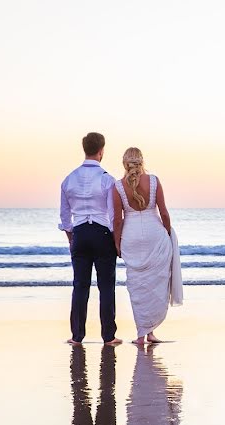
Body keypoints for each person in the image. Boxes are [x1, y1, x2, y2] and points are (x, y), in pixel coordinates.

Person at [111, 147, 182, 345]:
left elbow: (117, 220)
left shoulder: (117, 186)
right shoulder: (153, 181)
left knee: (137, 285)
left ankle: (142, 334)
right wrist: (167, 233)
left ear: (125, 163)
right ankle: (149, 333)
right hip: (154, 234)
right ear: (142, 161)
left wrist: (117, 243)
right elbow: (165, 213)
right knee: (155, 283)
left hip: (131, 237)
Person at [59, 132, 122, 346]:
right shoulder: (107, 179)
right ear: (101, 151)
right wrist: (117, 241)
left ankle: (77, 336)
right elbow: (114, 216)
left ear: (84, 149)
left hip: (79, 234)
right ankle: (109, 336)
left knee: (80, 285)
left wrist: (71, 238)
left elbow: (65, 217)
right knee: (106, 286)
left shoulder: (69, 179)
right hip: (102, 233)